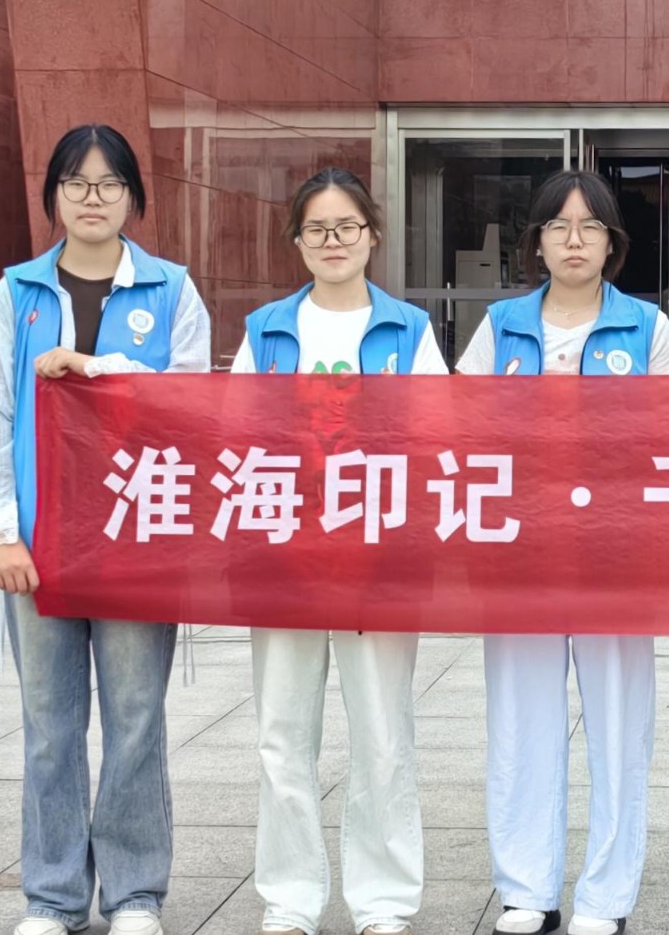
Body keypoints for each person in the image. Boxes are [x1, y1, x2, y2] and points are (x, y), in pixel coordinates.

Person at [0, 124, 212, 935]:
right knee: (50, 728)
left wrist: (97, 368)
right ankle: (53, 897)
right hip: (41, 545)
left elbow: (188, 408)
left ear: (133, 196)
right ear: (54, 197)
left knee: (136, 722)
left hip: (139, 544)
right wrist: (1, 532)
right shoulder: (18, 293)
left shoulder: (172, 290)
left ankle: (136, 893)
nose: (92, 198)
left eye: (109, 184)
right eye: (76, 183)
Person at [455, 170, 669, 935]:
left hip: (615, 554)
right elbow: (458, 426)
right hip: (520, 552)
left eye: (590, 227)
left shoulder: (646, 328)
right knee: (521, 723)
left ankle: (606, 898)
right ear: (537, 242)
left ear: (612, 242)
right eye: (558, 226)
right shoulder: (500, 326)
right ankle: (527, 890)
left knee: (620, 726)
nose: (574, 240)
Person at [229, 169, 446, 935]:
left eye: (346, 227)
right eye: (317, 229)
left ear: (372, 235)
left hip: (379, 561)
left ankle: (383, 900)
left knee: (383, 734)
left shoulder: (408, 330)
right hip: (284, 557)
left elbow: (436, 438)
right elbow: (236, 437)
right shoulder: (266, 331)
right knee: (282, 736)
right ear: (297, 241)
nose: (333, 241)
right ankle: (289, 898)